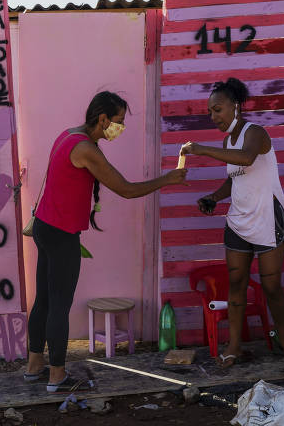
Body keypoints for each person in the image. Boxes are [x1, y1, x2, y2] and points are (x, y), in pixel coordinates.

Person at [24, 91, 188, 392]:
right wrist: (167, 179)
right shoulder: (86, 149)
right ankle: (57, 376)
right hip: (61, 233)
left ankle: (35, 366)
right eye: (119, 122)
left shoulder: (68, 135)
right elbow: (125, 189)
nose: (120, 128)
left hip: (45, 227)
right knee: (60, 304)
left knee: (45, 300)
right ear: (102, 119)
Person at [180, 77, 284, 368]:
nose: (214, 117)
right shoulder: (227, 141)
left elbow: (246, 159)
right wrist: (214, 197)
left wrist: (201, 149)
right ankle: (234, 346)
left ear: (235, 106)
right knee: (235, 284)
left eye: (218, 110)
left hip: (267, 219)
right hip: (238, 221)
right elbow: (235, 177)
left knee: (271, 286)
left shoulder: (255, 133)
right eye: (210, 111)